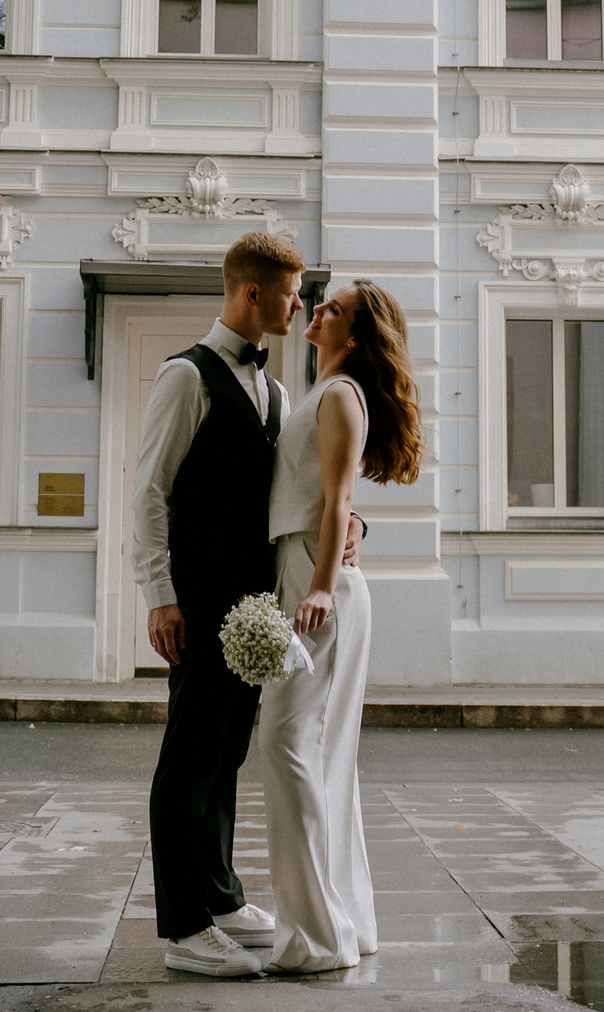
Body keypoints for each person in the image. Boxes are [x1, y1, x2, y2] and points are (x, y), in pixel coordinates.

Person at [130, 231, 362, 978]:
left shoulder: (277, 390)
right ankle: (184, 925)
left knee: (229, 748)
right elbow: (150, 493)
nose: (302, 306)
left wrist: (353, 522)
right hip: (197, 603)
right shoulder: (184, 376)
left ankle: (222, 896)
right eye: (293, 294)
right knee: (190, 756)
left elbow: (293, 487)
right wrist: (160, 594)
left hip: (255, 604)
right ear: (253, 293)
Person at [254, 279, 424, 974]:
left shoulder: (341, 394)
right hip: (303, 567)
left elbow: (337, 498)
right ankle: (343, 919)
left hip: (316, 582)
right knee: (322, 756)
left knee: (286, 740)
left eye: (333, 309)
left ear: (352, 336)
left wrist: (320, 584)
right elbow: (330, 501)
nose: (316, 310)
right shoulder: (319, 394)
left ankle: (318, 936)